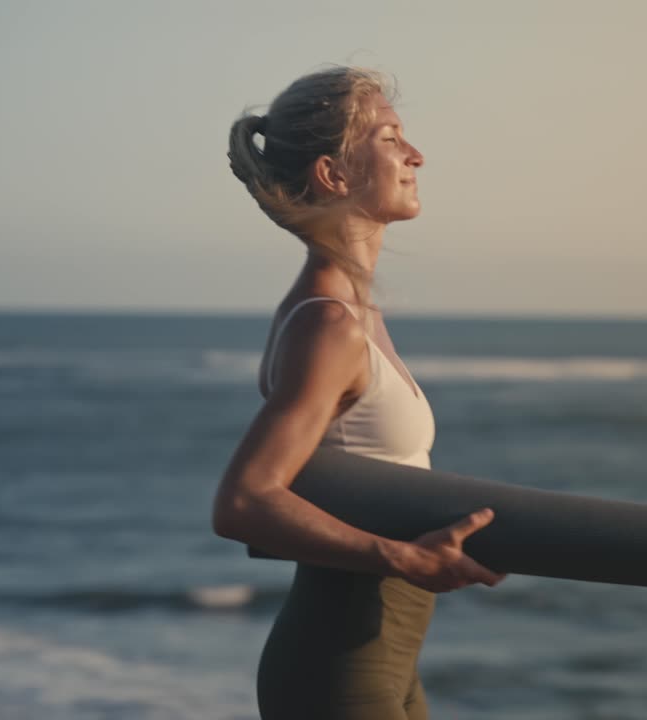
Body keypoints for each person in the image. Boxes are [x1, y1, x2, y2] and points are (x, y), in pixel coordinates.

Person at [212, 66, 506, 720]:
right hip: (338, 671)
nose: (415, 155)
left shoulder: (349, 310)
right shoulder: (329, 323)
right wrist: (398, 554)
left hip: (383, 659)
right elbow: (243, 501)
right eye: (390, 137)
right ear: (334, 174)